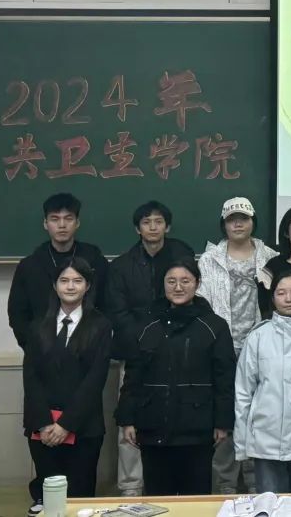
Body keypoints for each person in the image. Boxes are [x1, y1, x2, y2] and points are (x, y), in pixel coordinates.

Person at [117, 259, 235, 496]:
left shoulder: (215, 326)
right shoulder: (146, 325)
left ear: (197, 283)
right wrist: (127, 419)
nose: (178, 287)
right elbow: (133, 376)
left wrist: (223, 423)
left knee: (196, 500)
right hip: (153, 427)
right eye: (171, 281)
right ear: (163, 285)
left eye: (185, 281)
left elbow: (225, 379)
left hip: (198, 430)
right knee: (158, 500)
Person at [105, 200, 194, 497]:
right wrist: (147, 339)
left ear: (168, 226)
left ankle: (176, 485)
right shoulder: (121, 266)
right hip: (136, 352)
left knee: (178, 415)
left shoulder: (183, 256)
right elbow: (118, 313)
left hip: (180, 349)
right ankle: (131, 486)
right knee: (130, 419)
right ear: (137, 228)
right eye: (146, 222)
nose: (153, 227)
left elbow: (190, 298)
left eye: (158, 221)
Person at [197, 196, 277, 494]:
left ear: (253, 222)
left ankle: (257, 486)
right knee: (225, 417)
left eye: (243, 218)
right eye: (232, 219)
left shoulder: (271, 258)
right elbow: (202, 303)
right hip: (221, 348)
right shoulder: (209, 259)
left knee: (258, 415)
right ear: (224, 224)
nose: (238, 223)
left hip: (261, 347)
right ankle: (225, 489)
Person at [22, 258, 112, 517]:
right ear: (54, 285)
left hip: (83, 428)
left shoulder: (101, 325)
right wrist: (44, 423)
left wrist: (66, 425)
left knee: (79, 499)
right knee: (48, 497)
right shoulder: (38, 324)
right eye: (64, 280)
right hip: (42, 427)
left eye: (77, 281)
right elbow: (31, 377)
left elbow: (95, 379)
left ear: (87, 286)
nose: (70, 286)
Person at [235, 270, 291, 494]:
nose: (288, 298)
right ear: (272, 297)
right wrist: (242, 441)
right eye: (281, 292)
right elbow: (243, 391)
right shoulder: (258, 336)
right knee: (268, 504)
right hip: (266, 437)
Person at [8, 193, 109, 350]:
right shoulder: (29, 265)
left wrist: (96, 343)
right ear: (45, 223)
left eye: (68, 219)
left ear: (77, 223)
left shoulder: (95, 260)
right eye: (55, 219)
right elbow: (17, 313)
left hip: (88, 349)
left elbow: (107, 305)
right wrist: (32, 346)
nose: (62, 225)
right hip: (40, 350)